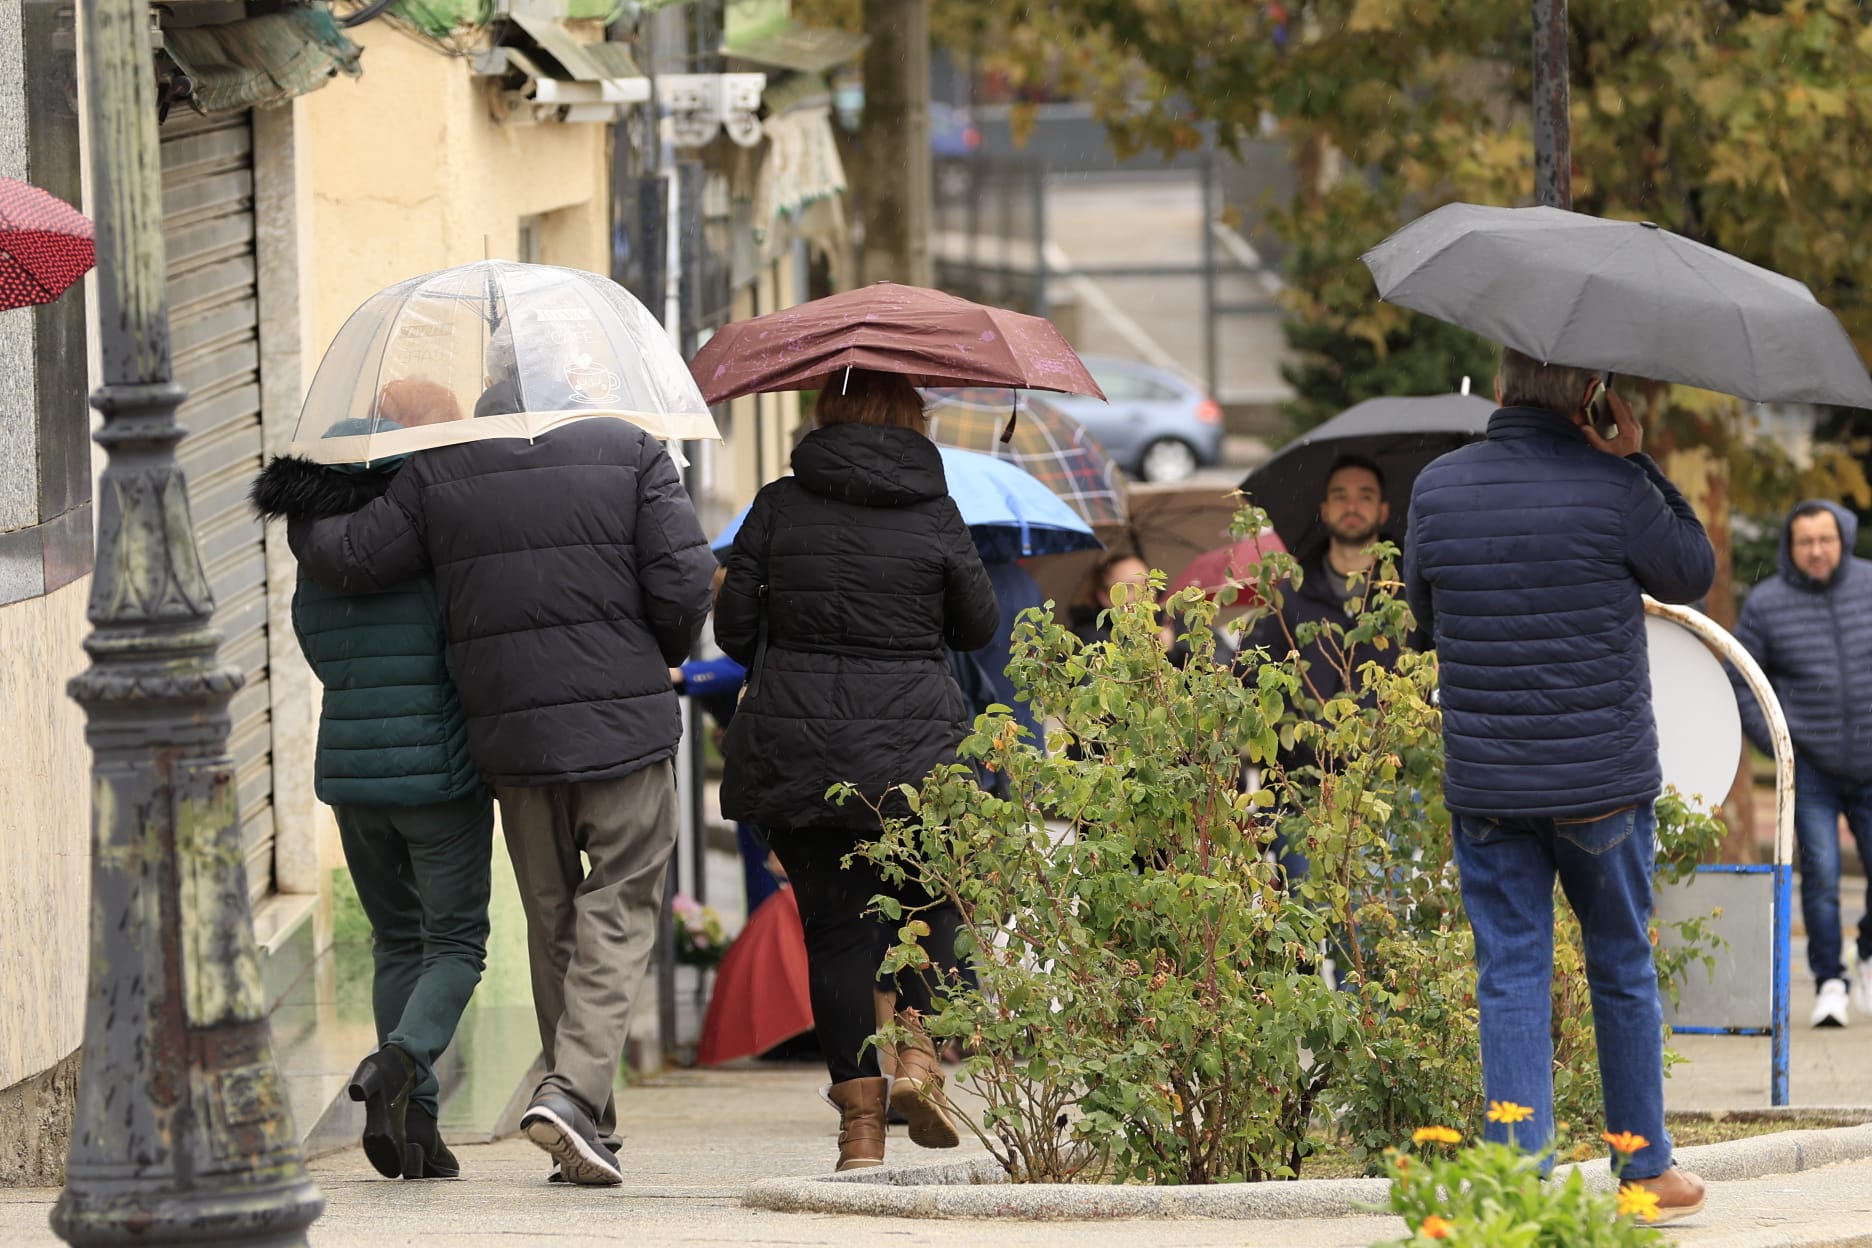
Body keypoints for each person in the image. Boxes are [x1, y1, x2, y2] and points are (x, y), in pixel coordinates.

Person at [289, 414, 716, 1187]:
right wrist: (659, 655)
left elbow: (348, 564)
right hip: (605, 729)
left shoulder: (440, 474)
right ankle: (573, 1099)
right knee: (606, 915)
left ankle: (580, 1123)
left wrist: (299, 500)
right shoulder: (631, 451)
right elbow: (685, 581)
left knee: (545, 921)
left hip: (499, 742)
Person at [1403, 348, 1715, 1222]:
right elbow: (1691, 572)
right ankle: (1643, 1168)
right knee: (1620, 964)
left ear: (1500, 390)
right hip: (1603, 786)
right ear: (1591, 396)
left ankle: (1517, 1177)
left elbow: (1424, 617)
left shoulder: (1437, 486)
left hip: (1490, 784)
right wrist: (1638, 460)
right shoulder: (1615, 488)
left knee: (1509, 972)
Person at [714, 368, 999, 1172]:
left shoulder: (777, 503)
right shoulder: (935, 511)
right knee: (935, 900)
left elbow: (735, 627)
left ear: (823, 414)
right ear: (912, 418)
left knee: (839, 940)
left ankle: (861, 1134)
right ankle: (917, 1059)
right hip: (916, 750)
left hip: (798, 751)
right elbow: (978, 627)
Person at [252, 419, 491, 1181]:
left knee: (396, 941)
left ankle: (418, 1128)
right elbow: (466, 650)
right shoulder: (430, 544)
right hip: (438, 776)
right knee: (455, 943)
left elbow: (316, 651)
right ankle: (398, 1063)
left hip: (353, 775)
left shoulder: (312, 554)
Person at [1729, 500, 1872, 1027]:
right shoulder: (1767, 603)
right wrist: (1776, 739)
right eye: (1805, 541)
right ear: (1791, 547)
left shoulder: (1869, 584)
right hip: (1809, 768)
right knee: (1822, 877)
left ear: (1844, 539)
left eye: (1825, 539)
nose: (1816, 550)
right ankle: (1830, 982)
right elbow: (1740, 676)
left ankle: (1867, 955)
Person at [1244, 453, 1413, 883]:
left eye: (1365, 496)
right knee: (1306, 923)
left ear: (1384, 511)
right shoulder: (1289, 597)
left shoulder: (1409, 597)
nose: (1352, 506)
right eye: (1340, 496)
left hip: (1386, 791)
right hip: (1302, 795)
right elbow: (1255, 686)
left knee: (1377, 929)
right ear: (1323, 509)